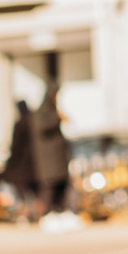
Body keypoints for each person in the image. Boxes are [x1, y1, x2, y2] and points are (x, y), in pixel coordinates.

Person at [35, 83, 72, 218]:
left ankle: (61, 212)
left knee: (61, 187)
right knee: (49, 188)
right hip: (49, 161)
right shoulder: (43, 111)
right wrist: (57, 118)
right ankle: (47, 214)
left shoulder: (52, 109)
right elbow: (43, 127)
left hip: (58, 159)